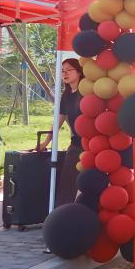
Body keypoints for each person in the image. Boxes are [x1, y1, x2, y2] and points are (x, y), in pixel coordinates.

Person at [55, 58, 84, 206]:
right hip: (76, 144)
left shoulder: (86, 91)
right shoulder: (66, 96)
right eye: (62, 71)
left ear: (79, 72)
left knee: (90, 182)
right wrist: (46, 142)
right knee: (67, 181)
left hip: (93, 145)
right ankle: (62, 212)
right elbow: (57, 122)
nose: (65, 73)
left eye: (68, 70)